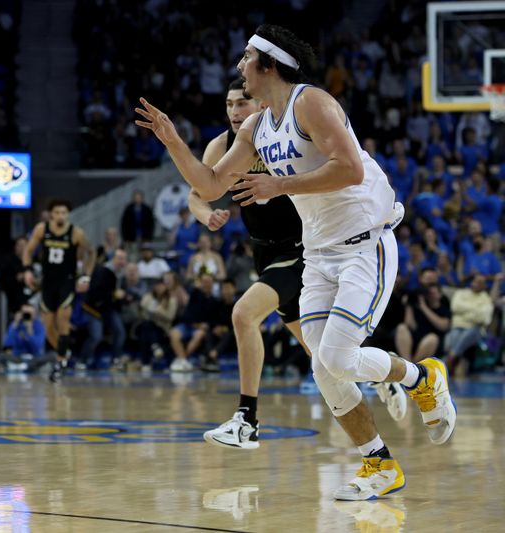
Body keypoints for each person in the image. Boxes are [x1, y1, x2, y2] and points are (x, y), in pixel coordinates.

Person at [136, 24, 456, 500]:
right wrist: (172, 141)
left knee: (337, 358)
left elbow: (347, 167)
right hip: (320, 254)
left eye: (247, 58)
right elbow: (209, 185)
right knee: (325, 370)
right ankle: (379, 464)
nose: (240, 66)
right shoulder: (255, 126)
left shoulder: (313, 102)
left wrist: (277, 185)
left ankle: (422, 376)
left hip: (365, 245)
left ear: (268, 64)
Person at [188, 79, 406, 447]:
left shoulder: (281, 139)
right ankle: (381, 376)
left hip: (302, 250)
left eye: (242, 103)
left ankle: (246, 419)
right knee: (323, 360)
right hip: (264, 252)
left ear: (259, 106)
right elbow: (199, 193)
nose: (234, 111)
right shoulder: (222, 147)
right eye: (228, 104)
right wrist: (205, 215)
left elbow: (337, 169)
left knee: (243, 314)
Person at [23, 199, 95, 381]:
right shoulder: (42, 229)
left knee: (63, 320)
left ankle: (60, 363)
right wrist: (27, 271)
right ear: (51, 214)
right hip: (47, 282)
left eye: (64, 213)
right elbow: (27, 251)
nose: (61, 216)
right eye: (57, 212)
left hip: (67, 281)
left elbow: (91, 252)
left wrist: (86, 275)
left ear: (68, 215)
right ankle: (64, 353)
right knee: (48, 326)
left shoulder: (75, 233)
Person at [79, 248, 128, 369]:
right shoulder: (102, 271)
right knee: (96, 335)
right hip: (93, 309)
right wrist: (113, 294)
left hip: (108, 309)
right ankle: (82, 361)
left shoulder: (122, 274)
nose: (122, 261)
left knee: (119, 331)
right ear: (114, 259)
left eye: (124, 259)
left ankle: (116, 359)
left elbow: (120, 296)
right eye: (120, 258)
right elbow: (94, 291)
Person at [445, 273, 499, 375]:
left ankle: (450, 360)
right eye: (476, 281)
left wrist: (464, 312)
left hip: (475, 330)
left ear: (485, 285)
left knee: (469, 334)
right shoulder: (460, 293)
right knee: (451, 338)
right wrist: (475, 311)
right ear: (472, 282)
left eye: (481, 282)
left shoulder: (486, 298)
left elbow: (485, 318)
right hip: (457, 327)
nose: (478, 284)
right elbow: (455, 308)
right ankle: (454, 360)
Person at [0, 304, 50, 373]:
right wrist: (15, 325)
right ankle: (26, 366)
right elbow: (7, 345)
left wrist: (30, 332)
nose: (27, 316)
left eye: (29, 314)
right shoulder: (15, 325)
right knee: (2, 356)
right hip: (18, 357)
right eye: (25, 313)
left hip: (34, 357)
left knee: (52, 356)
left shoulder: (39, 325)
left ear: (34, 314)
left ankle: (20, 366)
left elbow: (37, 347)